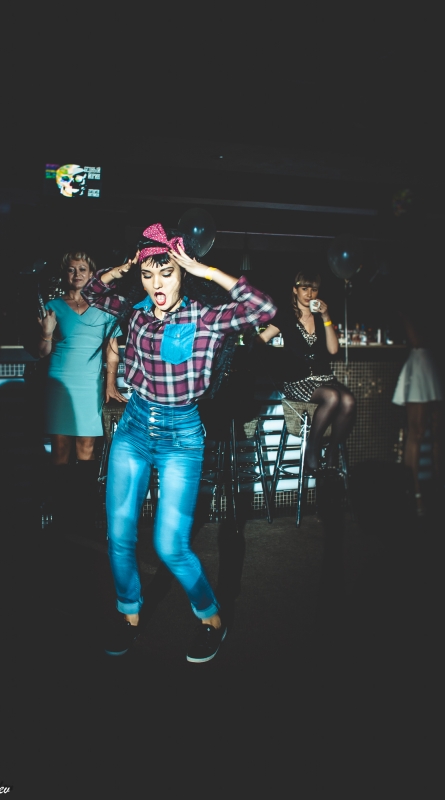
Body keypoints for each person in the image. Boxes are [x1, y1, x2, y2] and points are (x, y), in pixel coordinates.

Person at [81, 222, 277, 663]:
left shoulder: (205, 317)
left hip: (181, 436)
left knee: (170, 545)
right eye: (148, 275)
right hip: (133, 428)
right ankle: (129, 614)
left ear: (182, 273)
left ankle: (211, 619)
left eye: (166, 273)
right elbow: (92, 292)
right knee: (119, 534)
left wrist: (206, 271)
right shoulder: (134, 312)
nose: (157, 284)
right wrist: (124, 268)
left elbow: (263, 308)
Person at [37, 250, 125, 531]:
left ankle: (84, 519)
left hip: (90, 385)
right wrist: (46, 332)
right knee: (60, 451)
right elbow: (42, 352)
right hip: (60, 384)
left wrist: (110, 384)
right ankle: (62, 519)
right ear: (65, 275)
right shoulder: (52, 306)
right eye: (71, 269)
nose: (76, 274)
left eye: (82, 269)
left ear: (92, 274)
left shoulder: (105, 307)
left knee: (87, 450)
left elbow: (112, 352)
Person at [257, 269, 356, 474]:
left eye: (314, 289)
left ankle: (332, 451)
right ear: (295, 290)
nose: (309, 294)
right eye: (304, 288)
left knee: (349, 401)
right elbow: (261, 340)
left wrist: (326, 316)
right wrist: (277, 362)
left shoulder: (320, 318)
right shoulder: (285, 317)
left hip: (324, 378)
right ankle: (312, 447)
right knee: (332, 397)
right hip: (297, 380)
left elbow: (333, 350)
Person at [392, 310, 443, 515]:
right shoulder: (413, 306)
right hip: (421, 364)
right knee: (417, 433)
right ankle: (415, 494)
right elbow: (416, 340)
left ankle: (437, 490)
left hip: (436, 363)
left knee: (438, 434)